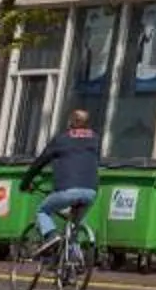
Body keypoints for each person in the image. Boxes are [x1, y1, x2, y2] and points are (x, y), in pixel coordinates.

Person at [27, 108, 102, 253]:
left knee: (43, 210)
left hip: (67, 190)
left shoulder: (61, 139)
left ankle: (51, 236)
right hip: (90, 191)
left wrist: (25, 182)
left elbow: (40, 162)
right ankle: (75, 260)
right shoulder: (95, 139)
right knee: (73, 225)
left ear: (71, 122)